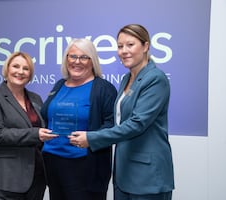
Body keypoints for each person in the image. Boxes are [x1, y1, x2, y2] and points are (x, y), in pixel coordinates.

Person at [69, 24, 175, 200]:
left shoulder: (156, 79)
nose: (123, 51)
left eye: (130, 45)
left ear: (146, 46)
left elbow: (136, 124)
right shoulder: (127, 78)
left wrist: (92, 138)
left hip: (147, 177)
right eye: (120, 46)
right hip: (124, 173)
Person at [40, 38, 117, 200]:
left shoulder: (103, 89)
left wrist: (90, 139)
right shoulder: (59, 85)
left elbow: (112, 125)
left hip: (84, 167)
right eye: (72, 56)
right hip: (53, 162)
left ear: (92, 61)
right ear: (66, 59)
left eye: (83, 57)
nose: (77, 62)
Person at [0, 51, 57, 200]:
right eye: (16, 66)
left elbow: (44, 127)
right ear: (7, 69)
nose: (20, 72)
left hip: (36, 176)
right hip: (7, 178)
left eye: (26, 68)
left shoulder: (35, 98)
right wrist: (35, 134)